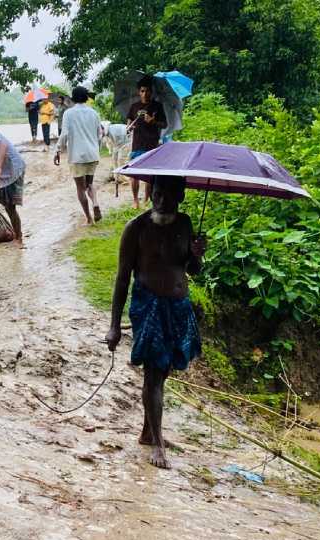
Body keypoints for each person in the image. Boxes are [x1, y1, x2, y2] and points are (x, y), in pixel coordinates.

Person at [106, 175, 206, 470]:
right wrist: (114, 325)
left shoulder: (186, 224)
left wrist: (198, 255)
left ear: (181, 196)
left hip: (178, 308)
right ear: (151, 194)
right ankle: (158, 443)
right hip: (147, 306)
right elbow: (122, 279)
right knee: (153, 372)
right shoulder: (135, 228)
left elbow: (193, 270)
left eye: (169, 194)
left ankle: (149, 430)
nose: (162, 200)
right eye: (158, 192)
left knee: (163, 371)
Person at [53, 86, 103, 225]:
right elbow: (100, 134)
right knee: (90, 183)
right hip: (93, 154)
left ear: (73, 98)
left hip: (77, 156)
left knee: (80, 188)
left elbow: (65, 134)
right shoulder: (94, 113)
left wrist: (57, 150)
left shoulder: (69, 113)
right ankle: (96, 203)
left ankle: (89, 218)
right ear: (86, 97)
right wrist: (96, 148)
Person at [127, 77, 167, 209]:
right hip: (136, 144)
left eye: (148, 91)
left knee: (149, 175)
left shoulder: (157, 106)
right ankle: (135, 201)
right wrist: (129, 127)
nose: (145, 94)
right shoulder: (134, 107)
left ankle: (146, 200)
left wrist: (153, 121)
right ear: (139, 92)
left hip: (151, 145)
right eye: (143, 91)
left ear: (152, 92)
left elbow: (164, 124)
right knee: (134, 174)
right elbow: (128, 123)